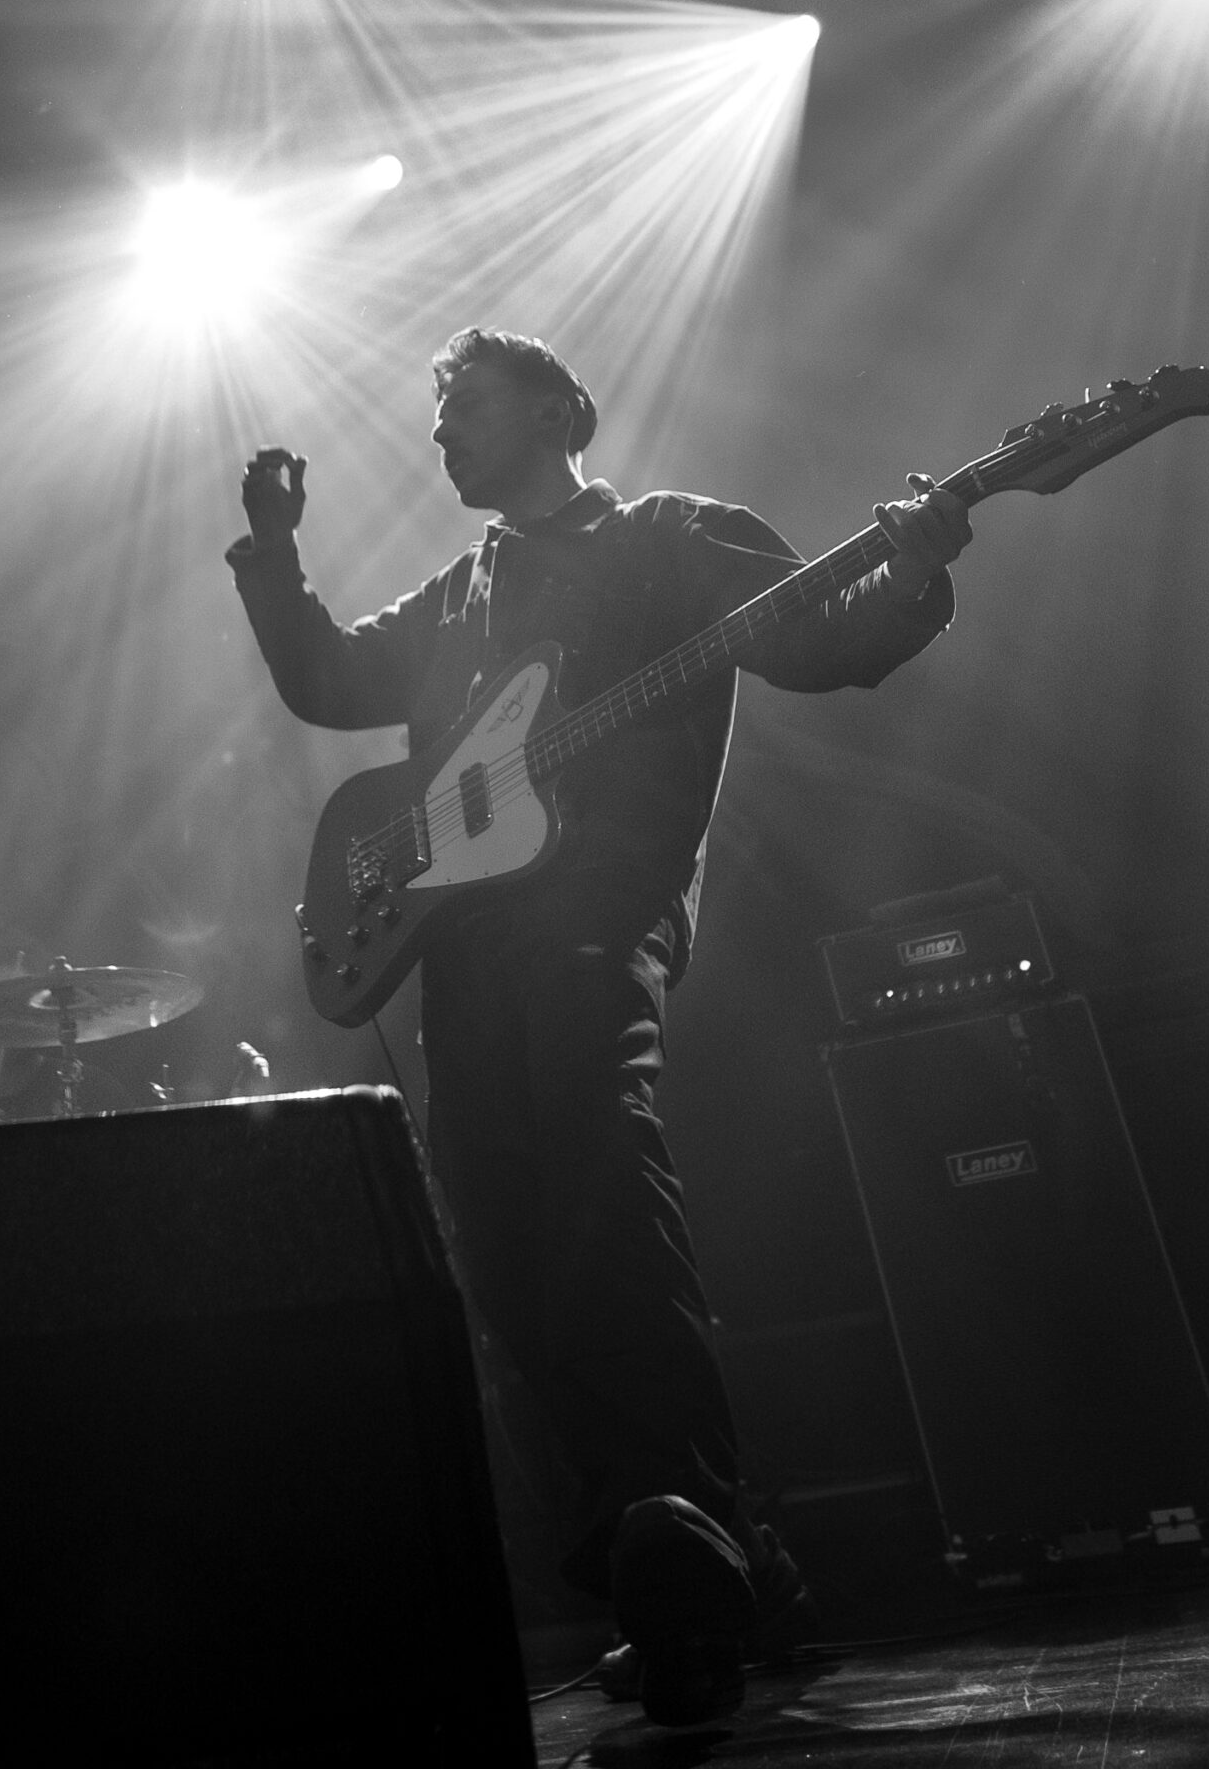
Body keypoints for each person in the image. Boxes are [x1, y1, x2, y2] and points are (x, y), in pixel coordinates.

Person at [228, 327, 970, 1724]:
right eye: (436, 412)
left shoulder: (669, 539)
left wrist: (917, 570)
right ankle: (662, 1559)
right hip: (466, 956)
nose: (439, 430)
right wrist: (273, 554)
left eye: (466, 402)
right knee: (499, 1245)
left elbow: (819, 643)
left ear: (555, 408)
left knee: (603, 1197)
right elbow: (328, 683)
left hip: (597, 917)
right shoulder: (459, 593)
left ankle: (700, 1535)